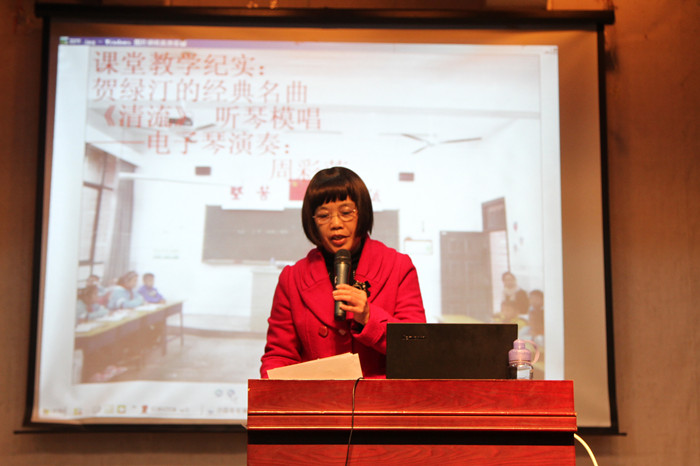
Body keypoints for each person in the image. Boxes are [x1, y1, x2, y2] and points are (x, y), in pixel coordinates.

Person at [260, 167, 426, 378]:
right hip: (318, 397)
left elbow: (417, 348)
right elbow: (279, 356)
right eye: (323, 215)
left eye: (346, 213)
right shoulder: (292, 278)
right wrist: (274, 391)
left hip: (381, 397)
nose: (336, 224)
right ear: (312, 221)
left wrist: (369, 317)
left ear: (362, 213)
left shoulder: (398, 266)